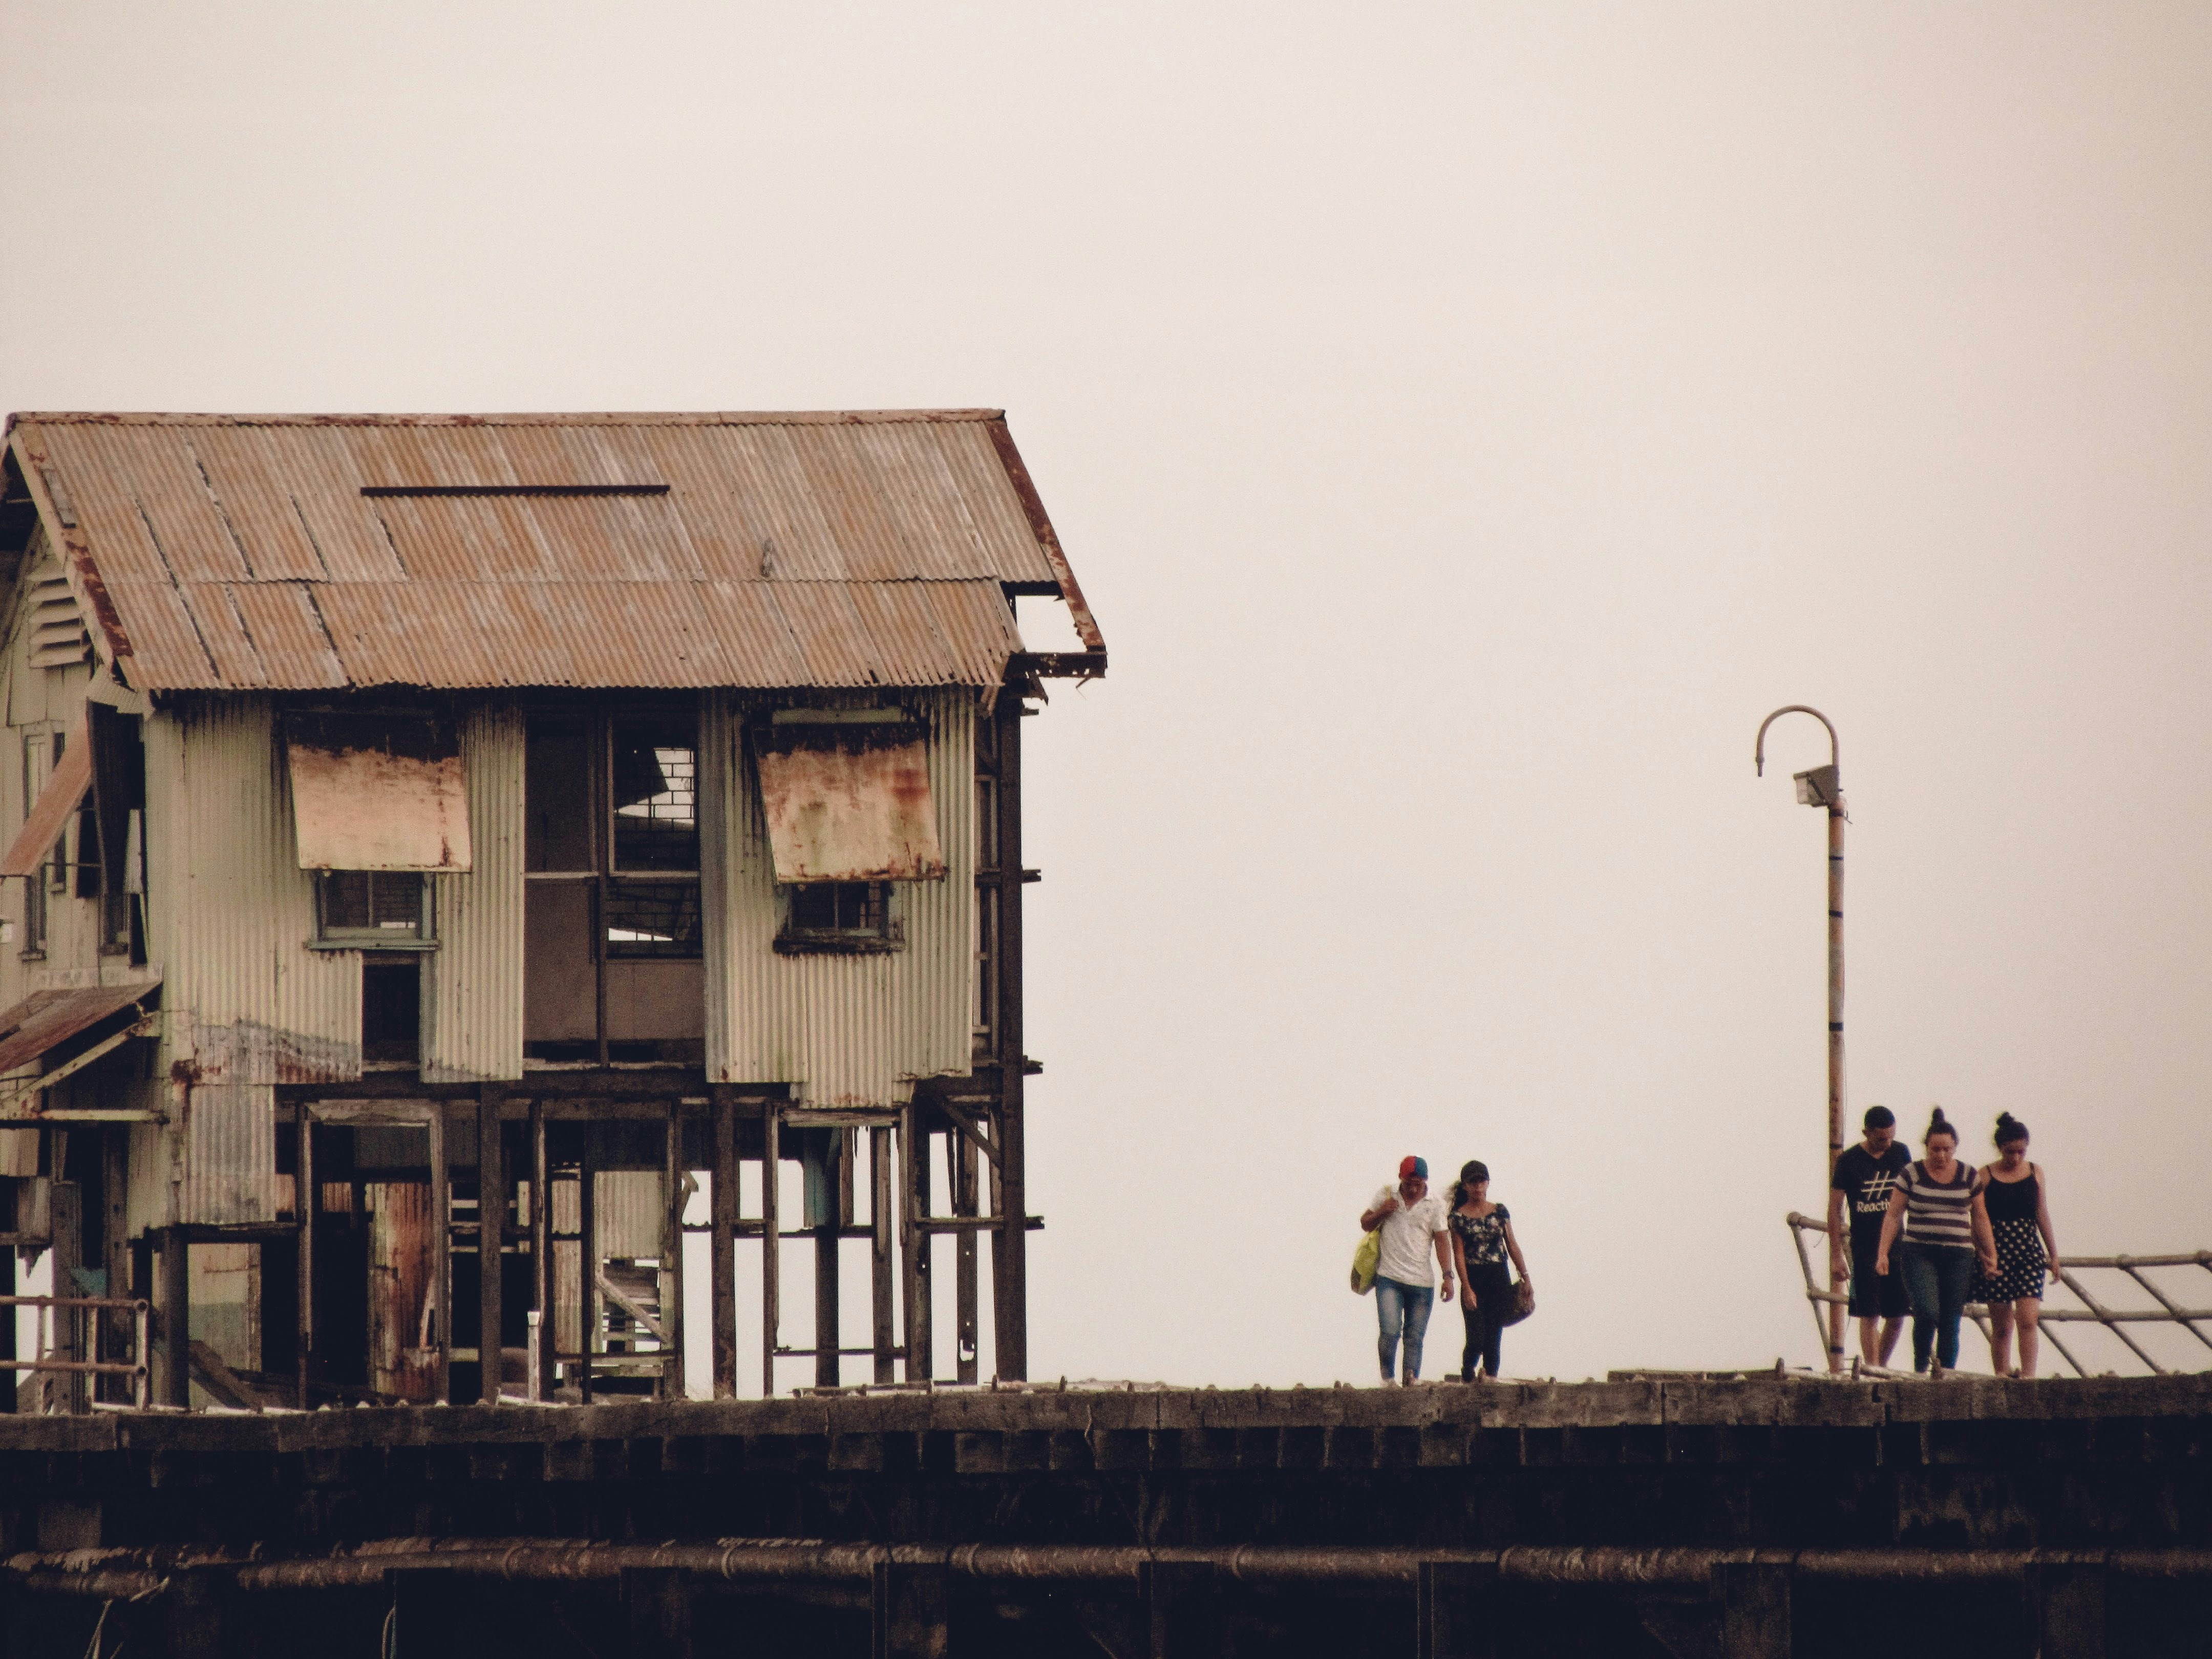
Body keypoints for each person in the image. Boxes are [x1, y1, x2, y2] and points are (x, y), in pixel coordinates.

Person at [1875, 1108, 1997, 1375]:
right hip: (1919, 1251)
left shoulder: (1968, 1176)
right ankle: (1921, 1369)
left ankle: (1946, 1374)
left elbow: (1981, 1217)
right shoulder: (1912, 1174)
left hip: (1959, 1254)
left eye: (1946, 1149)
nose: (1941, 1155)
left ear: (1954, 1148)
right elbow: (1894, 1214)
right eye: (1935, 1149)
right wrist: (1883, 1253)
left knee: (1951, 1319)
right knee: (1927, 1312)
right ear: (1927, 1148)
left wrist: (1991, 1255)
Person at [1972, 1113, 2061, 1378]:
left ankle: (2029, 1375)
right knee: (2001, 1325)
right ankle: (2002, 1373)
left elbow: (2041, 1212)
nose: (2016, 1158)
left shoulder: (2035, 1172)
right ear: (2000, 1149)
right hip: (1996, 1252)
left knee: (2028, 1319)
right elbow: (1976, 1219)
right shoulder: (1985, 1176)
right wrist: (1984, 1254)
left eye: (2021, 1152)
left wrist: (2054, 1254)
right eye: (2010, 1152)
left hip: (2028, 1251)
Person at [1358, 1156, 1454, 1385]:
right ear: (1401, 1178)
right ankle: (1388, 1380)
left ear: (1425, 1181)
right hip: (1389, 1277)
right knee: (1390, 1331)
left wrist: (1448, 1276)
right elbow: (1365, 1223)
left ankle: (1411, 1379)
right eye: (1408, 1183)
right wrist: (1383, 1211)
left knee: (1415, 1337)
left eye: (1418, 1184)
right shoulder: (1387, 1194)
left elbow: (1442, 1240)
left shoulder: (1435, 1204)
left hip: (1422, 1282)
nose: (1413, 1188)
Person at [1828, 1106, 1910, 1368]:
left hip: (1898, 1245)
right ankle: (1874, 1368)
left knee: (1898, 1314)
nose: (1886, 1144)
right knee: (1870, 1313)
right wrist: (1836, 1256)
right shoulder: (1849, 1161)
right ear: (1867, 1133)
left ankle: (1879, 1367)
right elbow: (1834, 1209)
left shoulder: (1900, 1153)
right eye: (1880, 1139)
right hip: (1864, 1246)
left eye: (1890, 1137)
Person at [1446, 1160, 1530, 1382]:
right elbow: (1459, 1254)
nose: (1477, 1186)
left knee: (1494, 1334)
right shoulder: (1457, 1217)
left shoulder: (1499, 1212)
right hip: (1473, 1276)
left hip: (1498, 1275)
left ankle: (1491, 1378)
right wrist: (1466, 1288)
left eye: (1481, 1180)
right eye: (1472, 1181)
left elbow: (1512, 1244)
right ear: (1465, 1185)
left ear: (1488, 1183)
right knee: (1475, 1336)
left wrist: (1525, 1276)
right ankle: (1468, 1372)